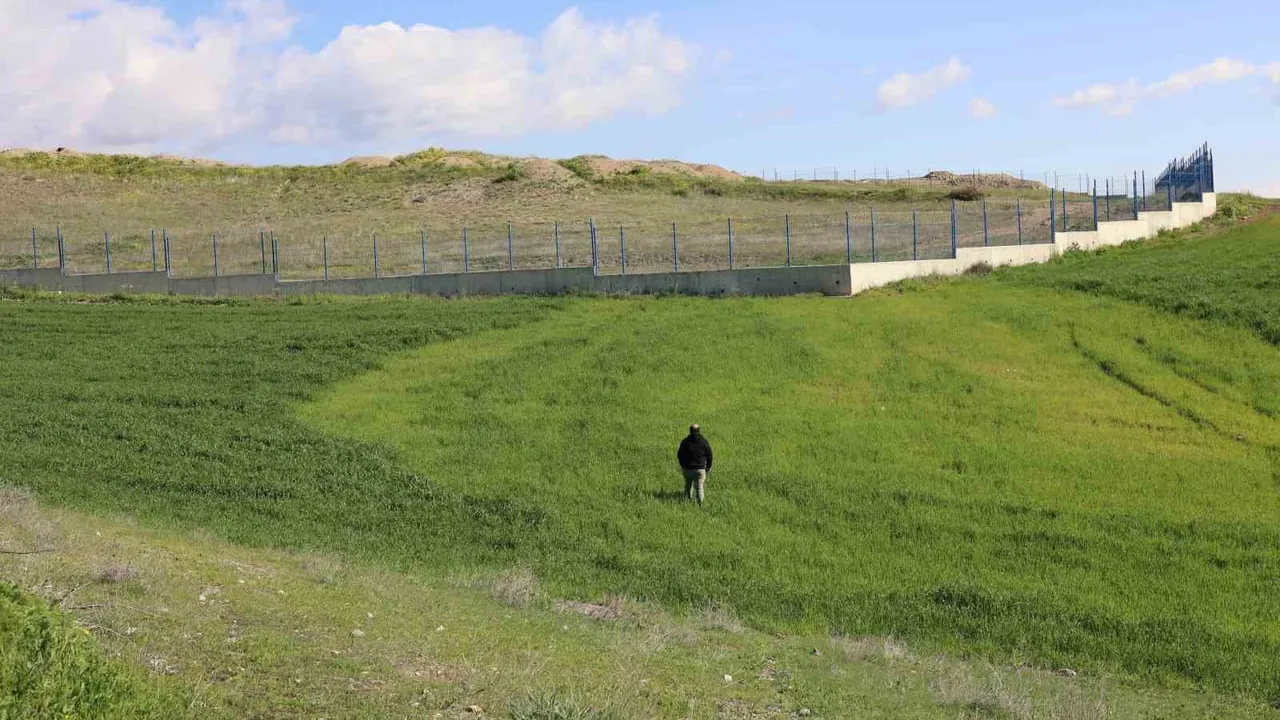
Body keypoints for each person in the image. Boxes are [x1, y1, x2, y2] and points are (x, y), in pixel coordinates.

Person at [677, 424, 713, 506]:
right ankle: (700, 504)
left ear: (690, 431)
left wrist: (682, 465)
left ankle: (687, 502)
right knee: (699, 486)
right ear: (699, 430)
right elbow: (710, 455)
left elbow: (679, 455)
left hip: (687, 469)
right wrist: (708, 467)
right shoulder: (704, 441)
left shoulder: (685, 441)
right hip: (700, 469)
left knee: (688, 485)